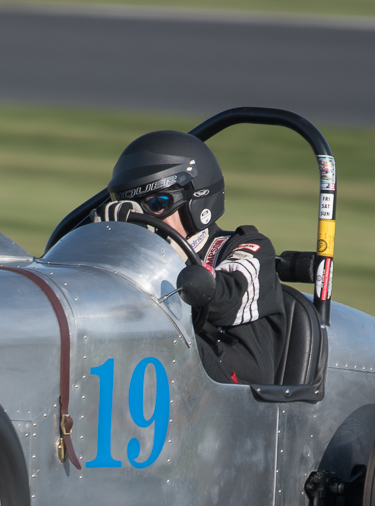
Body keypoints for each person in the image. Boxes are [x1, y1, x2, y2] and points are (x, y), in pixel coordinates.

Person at [90, 130, 286, 386]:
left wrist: (169, 261)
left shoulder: (247, 246)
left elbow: (229, 297)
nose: (145, 219)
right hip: (151, 377)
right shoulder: (134, 259)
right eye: (132, 209)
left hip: (230, 384)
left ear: (198, 201)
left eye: (158, 203)